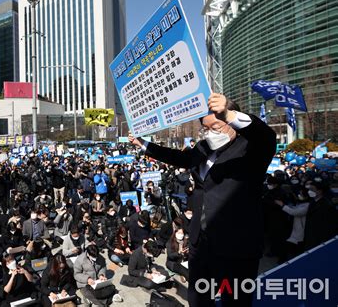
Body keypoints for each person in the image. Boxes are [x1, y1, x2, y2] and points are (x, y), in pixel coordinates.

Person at [129, 93, 277, 306]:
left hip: (236, 243)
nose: (209, 133)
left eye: (215, 127)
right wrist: (143, 144)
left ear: (230, 121)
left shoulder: (253, 149)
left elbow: (265, 136)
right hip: (202, 241)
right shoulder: (204, 147)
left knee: (234, 299)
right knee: (198, 298)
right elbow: (179, 158)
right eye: (204, 128)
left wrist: (228, 113)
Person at [303, 181, 338, 250]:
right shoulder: (313, 202)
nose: (309, 191)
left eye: (312, 189)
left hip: (320, 239)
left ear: (319, 191)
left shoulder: (327, 205)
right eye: (309, 189)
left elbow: (329, 225)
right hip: (311, 236)